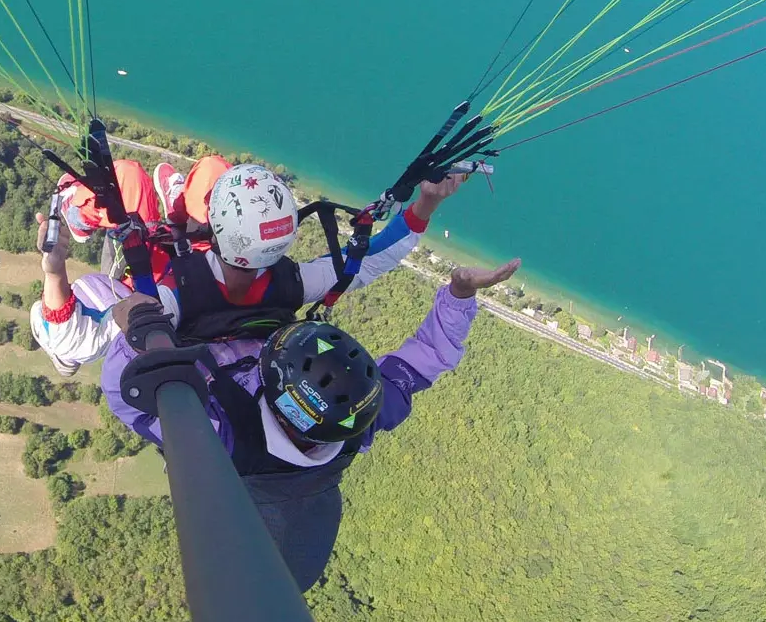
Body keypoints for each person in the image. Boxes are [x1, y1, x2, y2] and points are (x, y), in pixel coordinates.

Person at [101, 256, 521, 591]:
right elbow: (429, 356)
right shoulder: (360, 419)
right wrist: (459, 294)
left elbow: (127, 394)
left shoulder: (219, 436)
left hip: (191, 332)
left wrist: (137, 329)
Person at [30, 157, 466, 375]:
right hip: (190, 257)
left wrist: (55, 270)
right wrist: (425, 203)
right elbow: (369, 262)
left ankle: (91, 216)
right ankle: (179, 210)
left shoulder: (165, 301)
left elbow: (76, 339)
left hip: (146, 277)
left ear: (215, 229)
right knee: (214, 170)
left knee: (123, 175)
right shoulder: (294, 282)